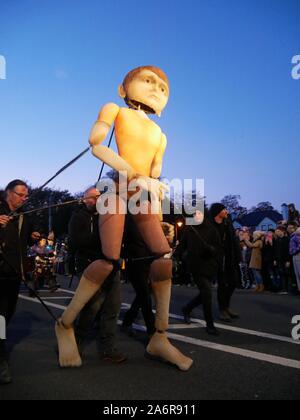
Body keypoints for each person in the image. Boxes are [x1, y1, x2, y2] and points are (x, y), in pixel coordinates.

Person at [55, 66, 193, 371]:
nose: (156, 88)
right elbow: (96, 144)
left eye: (163, 87)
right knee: (109, 259)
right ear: (123, 88)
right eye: (148, 81)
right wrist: (133, 175)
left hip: (142, 193)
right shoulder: (115, 109)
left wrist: (158, 211)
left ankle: (159, 336)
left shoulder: (160, 134)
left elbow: (154, 175)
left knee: (163, 256)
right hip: (116, 190)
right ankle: (65, 324)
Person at [68, 187, 126, 363]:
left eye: (98, 197)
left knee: (112, 308)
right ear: (84, 199)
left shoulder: (108, 214)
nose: (95, 200)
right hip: (90, 266)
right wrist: (105, 240)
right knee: (91, 307)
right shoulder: (78, 217)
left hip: (111, 267)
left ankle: (108, 349)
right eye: (91, 198)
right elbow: (78, 240)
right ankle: (75, 344)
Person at [0, 180, 40, 385]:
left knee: (7, 314)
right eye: (21, 194)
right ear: (8, 192)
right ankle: (1, 357)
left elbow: (26, 241)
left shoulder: (25, 215)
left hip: (15, 272)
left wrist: (34, 237)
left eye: (26, 196)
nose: (24, 198)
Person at [175, 210, 222, 336]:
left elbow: (218, 247)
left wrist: (212, 250)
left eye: (199, 214)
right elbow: (181, 247)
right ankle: (209, 324)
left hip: (210, 266)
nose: (197, 216)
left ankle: (187, 308)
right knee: (207, 292)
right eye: (195, 214)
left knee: (204, 294)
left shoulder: (212, 230)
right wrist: (176, 258)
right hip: (196, 267)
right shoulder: (189, 230)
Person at [209, 203, 241, 322]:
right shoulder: (210, 224)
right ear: (218, 211)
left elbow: (234, 240)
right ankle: (222, 309)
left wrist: (238, 256)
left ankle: (226, 306)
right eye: (224, 209)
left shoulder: (228, 223)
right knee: (222, 285)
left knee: (233, 282)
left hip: (229, 257)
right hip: (217, 258)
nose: (226, 211)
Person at [290, 227, 300, 293]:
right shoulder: (294, 237)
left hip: (297, 255)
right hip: (295, 255)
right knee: (297, 273)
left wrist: (294, 251)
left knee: (298, 273)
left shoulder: (295, 237)